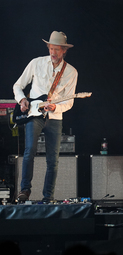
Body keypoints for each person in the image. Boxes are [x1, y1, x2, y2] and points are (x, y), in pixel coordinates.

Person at [13, 31, 78, 203]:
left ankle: (48, 197)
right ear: (48, 48)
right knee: (29, 152)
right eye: (51, 48)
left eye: (57, 49)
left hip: (55, 116)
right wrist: (22, 100)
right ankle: (24, 191)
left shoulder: (71, 72)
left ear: (64, 50)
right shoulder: (36, 63)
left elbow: (70, 102)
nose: (53, 53)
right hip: (34, 114)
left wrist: (56, 106)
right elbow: (18, 85)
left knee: (53, 159)